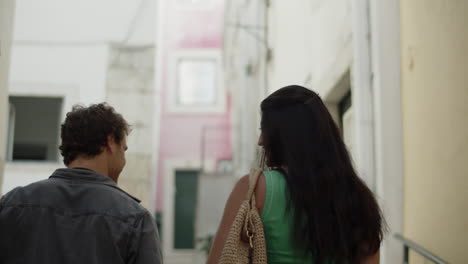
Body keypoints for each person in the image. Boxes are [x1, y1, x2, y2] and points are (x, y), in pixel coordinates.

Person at [208, 85, 384, 264]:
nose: (260, 141)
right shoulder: (358, 198)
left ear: (285, 136)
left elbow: (218, 260)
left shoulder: (254, 189)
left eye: (264, 130)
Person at [0, 103, 163, 264]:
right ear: (110, 142)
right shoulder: (135, 219)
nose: (123, 160)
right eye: (124, 150)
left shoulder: (11, 204)